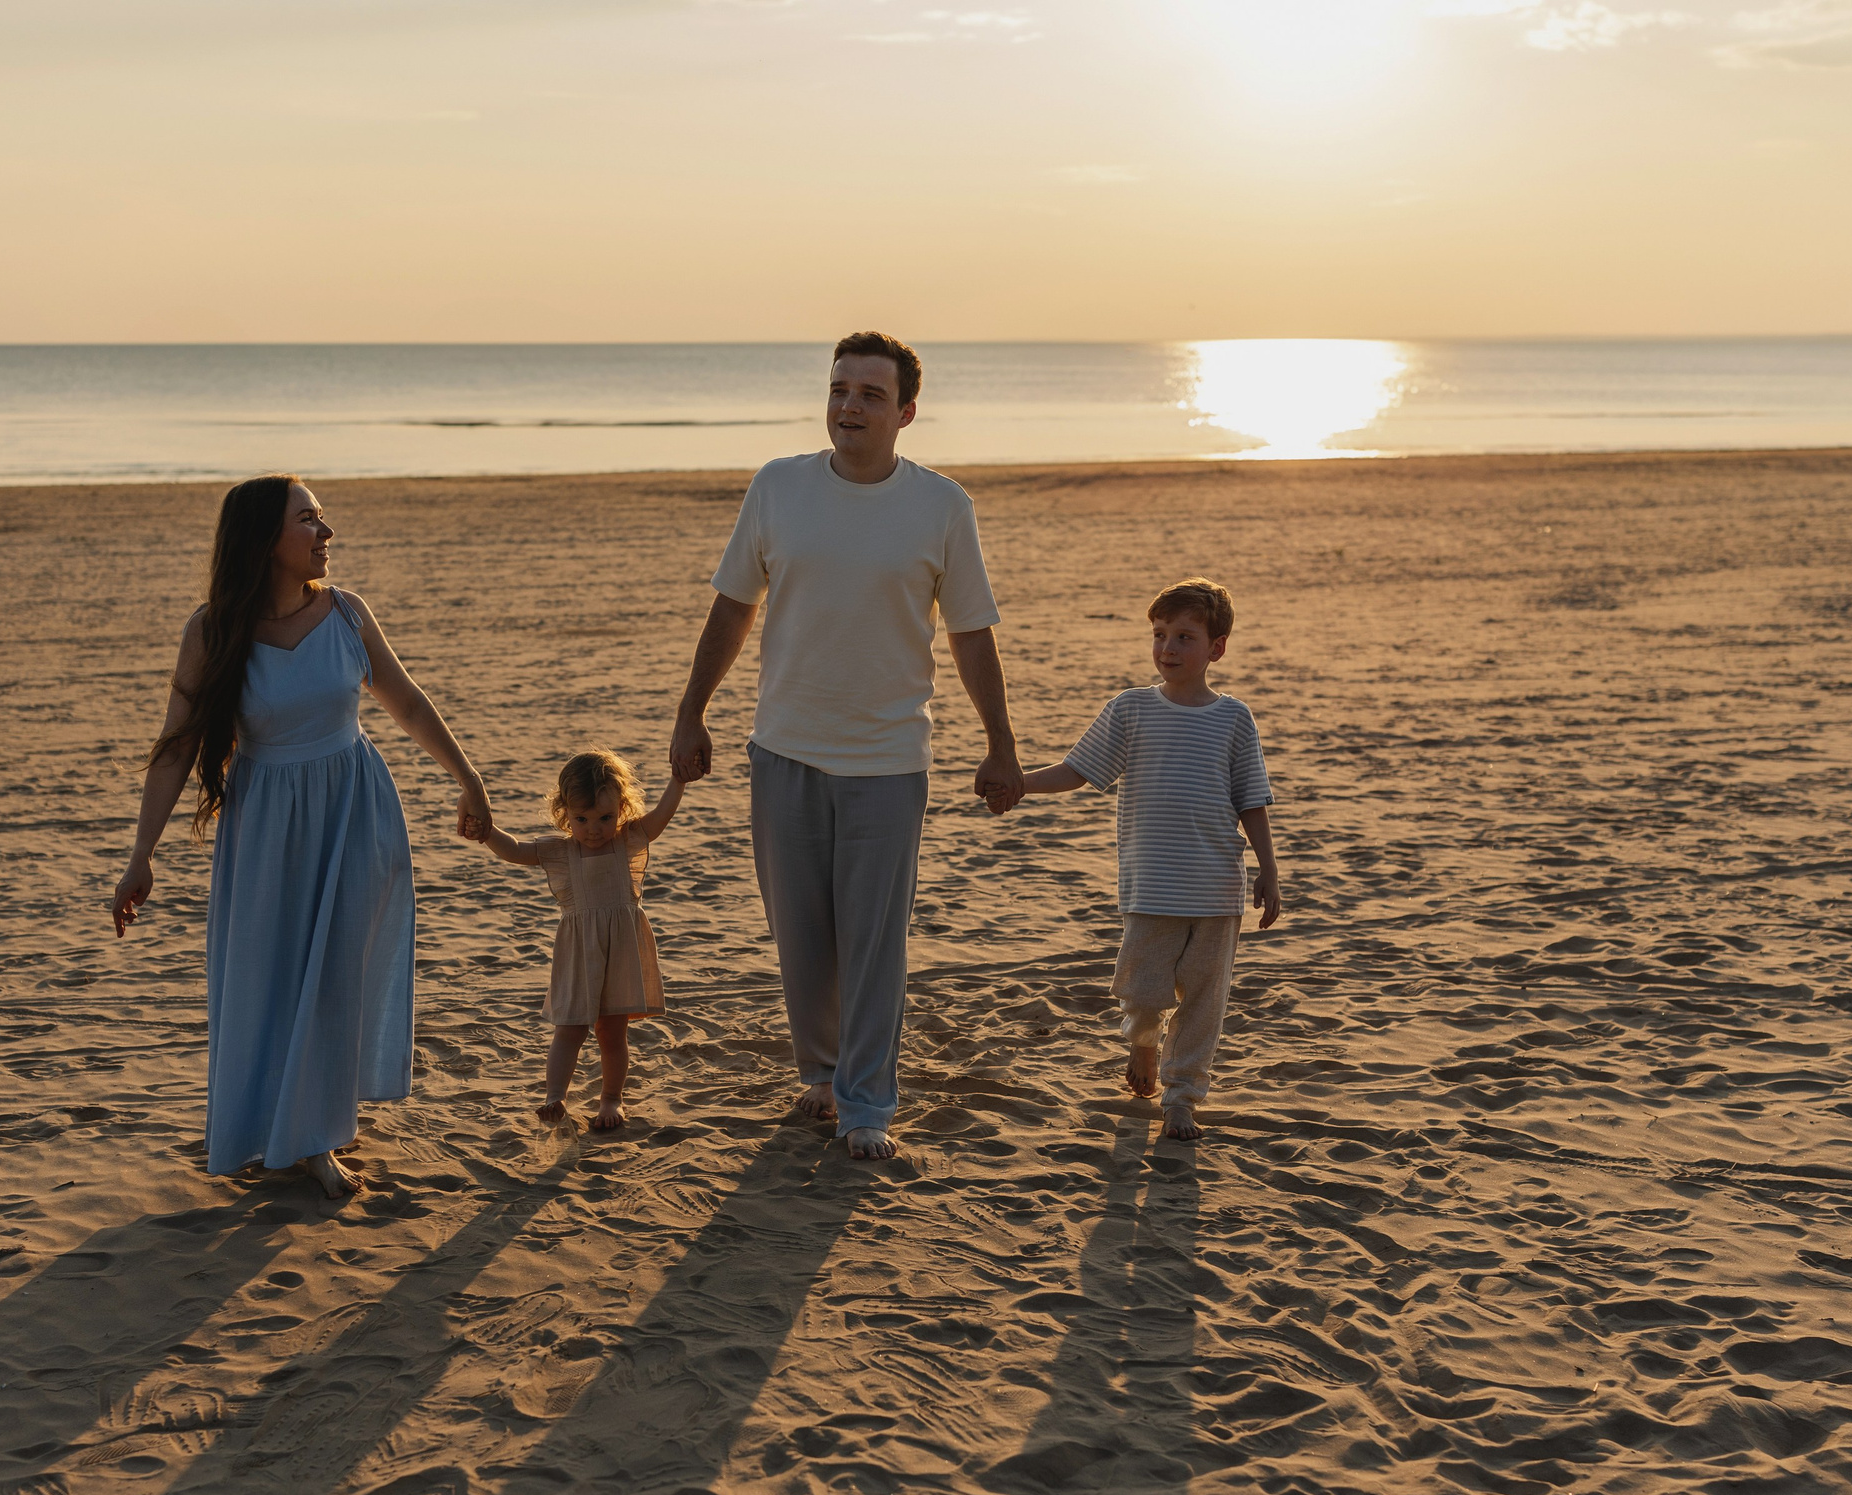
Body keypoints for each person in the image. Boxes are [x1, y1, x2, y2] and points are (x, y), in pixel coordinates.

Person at [670, 331, 1023, 1162]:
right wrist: (693, 713)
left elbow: (973, 636)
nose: (849, 406)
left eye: (869, 393)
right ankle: (821, 1072)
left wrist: (1000, 745)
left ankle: (867, 1104)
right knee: (802, 936)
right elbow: (731, 609)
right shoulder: (777, 487)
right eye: (838, 390)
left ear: (905, 412)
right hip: (784, 748)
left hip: (888, 760)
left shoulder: (942, 506)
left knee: (873, 942)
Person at [109, 474, 491, 1198]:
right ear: (265, 540)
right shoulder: (213, 630)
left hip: (353, 810)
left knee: (335, 976)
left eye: (322, 519)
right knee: (270, 975)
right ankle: (271, 1125)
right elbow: (177, 747)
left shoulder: (347, 613)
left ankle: (315, 1137)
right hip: (265, 828)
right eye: (309, 520)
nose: (326, 533)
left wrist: (468, 778)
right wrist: (142, 855)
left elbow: (404, 699)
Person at [1014, 577, 1283, 1142]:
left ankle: (1183, 1097)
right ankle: (1142, 1043)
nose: (1167, 649)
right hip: (1152, 888)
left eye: (1184, 637)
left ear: (1216, 648)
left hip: (1216, 890)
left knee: (1204, 1004)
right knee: (1142, 989)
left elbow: (1252, 799)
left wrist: (1270, 870)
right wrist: (1018, 785)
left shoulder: (1234, 719)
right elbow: (1077, 771)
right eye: (1160, 635)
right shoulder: (1130, 710)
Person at [477, 750, 690, 1132]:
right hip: (579, 952)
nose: (594, 829)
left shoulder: (628, 841)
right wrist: (486, 832)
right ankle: (555, 1096)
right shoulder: (561, 852)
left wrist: (679, 780)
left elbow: (662, 815)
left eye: (606, 818)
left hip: (622, 949)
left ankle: (612, 1098)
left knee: (612, 1030)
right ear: (564, 814)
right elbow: (513, 850)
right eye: (582, 819)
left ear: (622, 808)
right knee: (570, 1026)